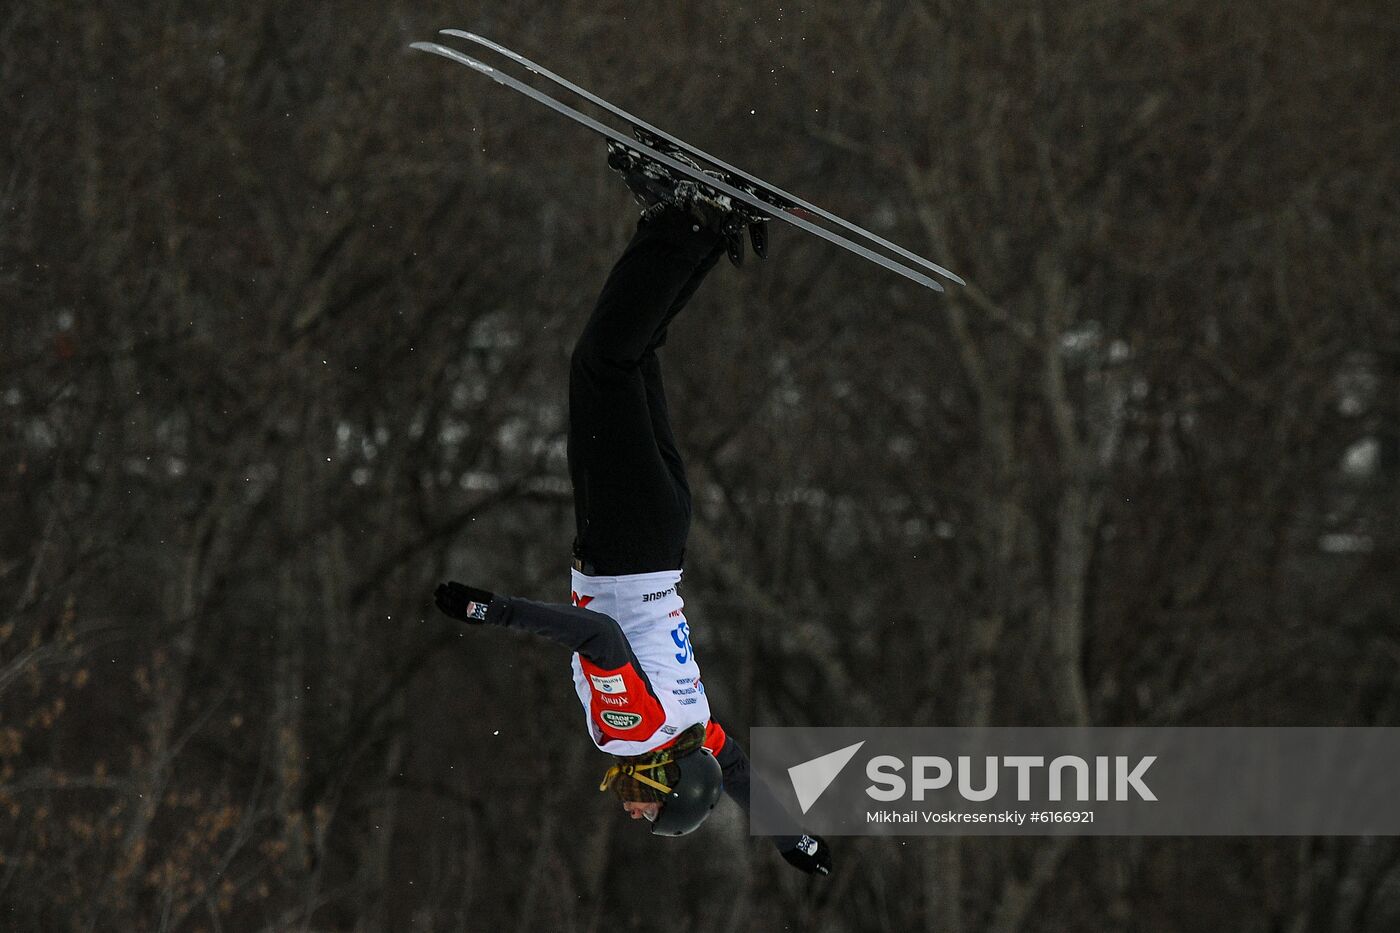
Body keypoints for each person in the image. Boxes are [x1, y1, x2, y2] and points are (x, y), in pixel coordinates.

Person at [434, 137, 831, 875]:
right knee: (601, 363)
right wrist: (493, 611)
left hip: (662, 532)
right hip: (624, 541)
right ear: (668, 782)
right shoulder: (632, 734)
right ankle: (691, 219)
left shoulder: (696, 732)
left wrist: (791, 836)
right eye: (650, 807)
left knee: (635, 353)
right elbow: (595, 636)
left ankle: (696, 225)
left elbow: (738, 770)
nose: (632, 808)